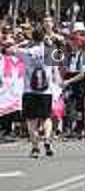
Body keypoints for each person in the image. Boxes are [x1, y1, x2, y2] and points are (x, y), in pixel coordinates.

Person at [16, 27, 61, 158]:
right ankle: (47, 139)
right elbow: (55, 70)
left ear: (32, 38)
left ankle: (35, 147)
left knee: (31, 120)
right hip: (46, 91)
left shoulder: (26, 52)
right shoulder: (50, 52)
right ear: (43, 37)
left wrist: (22, 43)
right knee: (46, 117)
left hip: (29, 90)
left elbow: (8, 49)